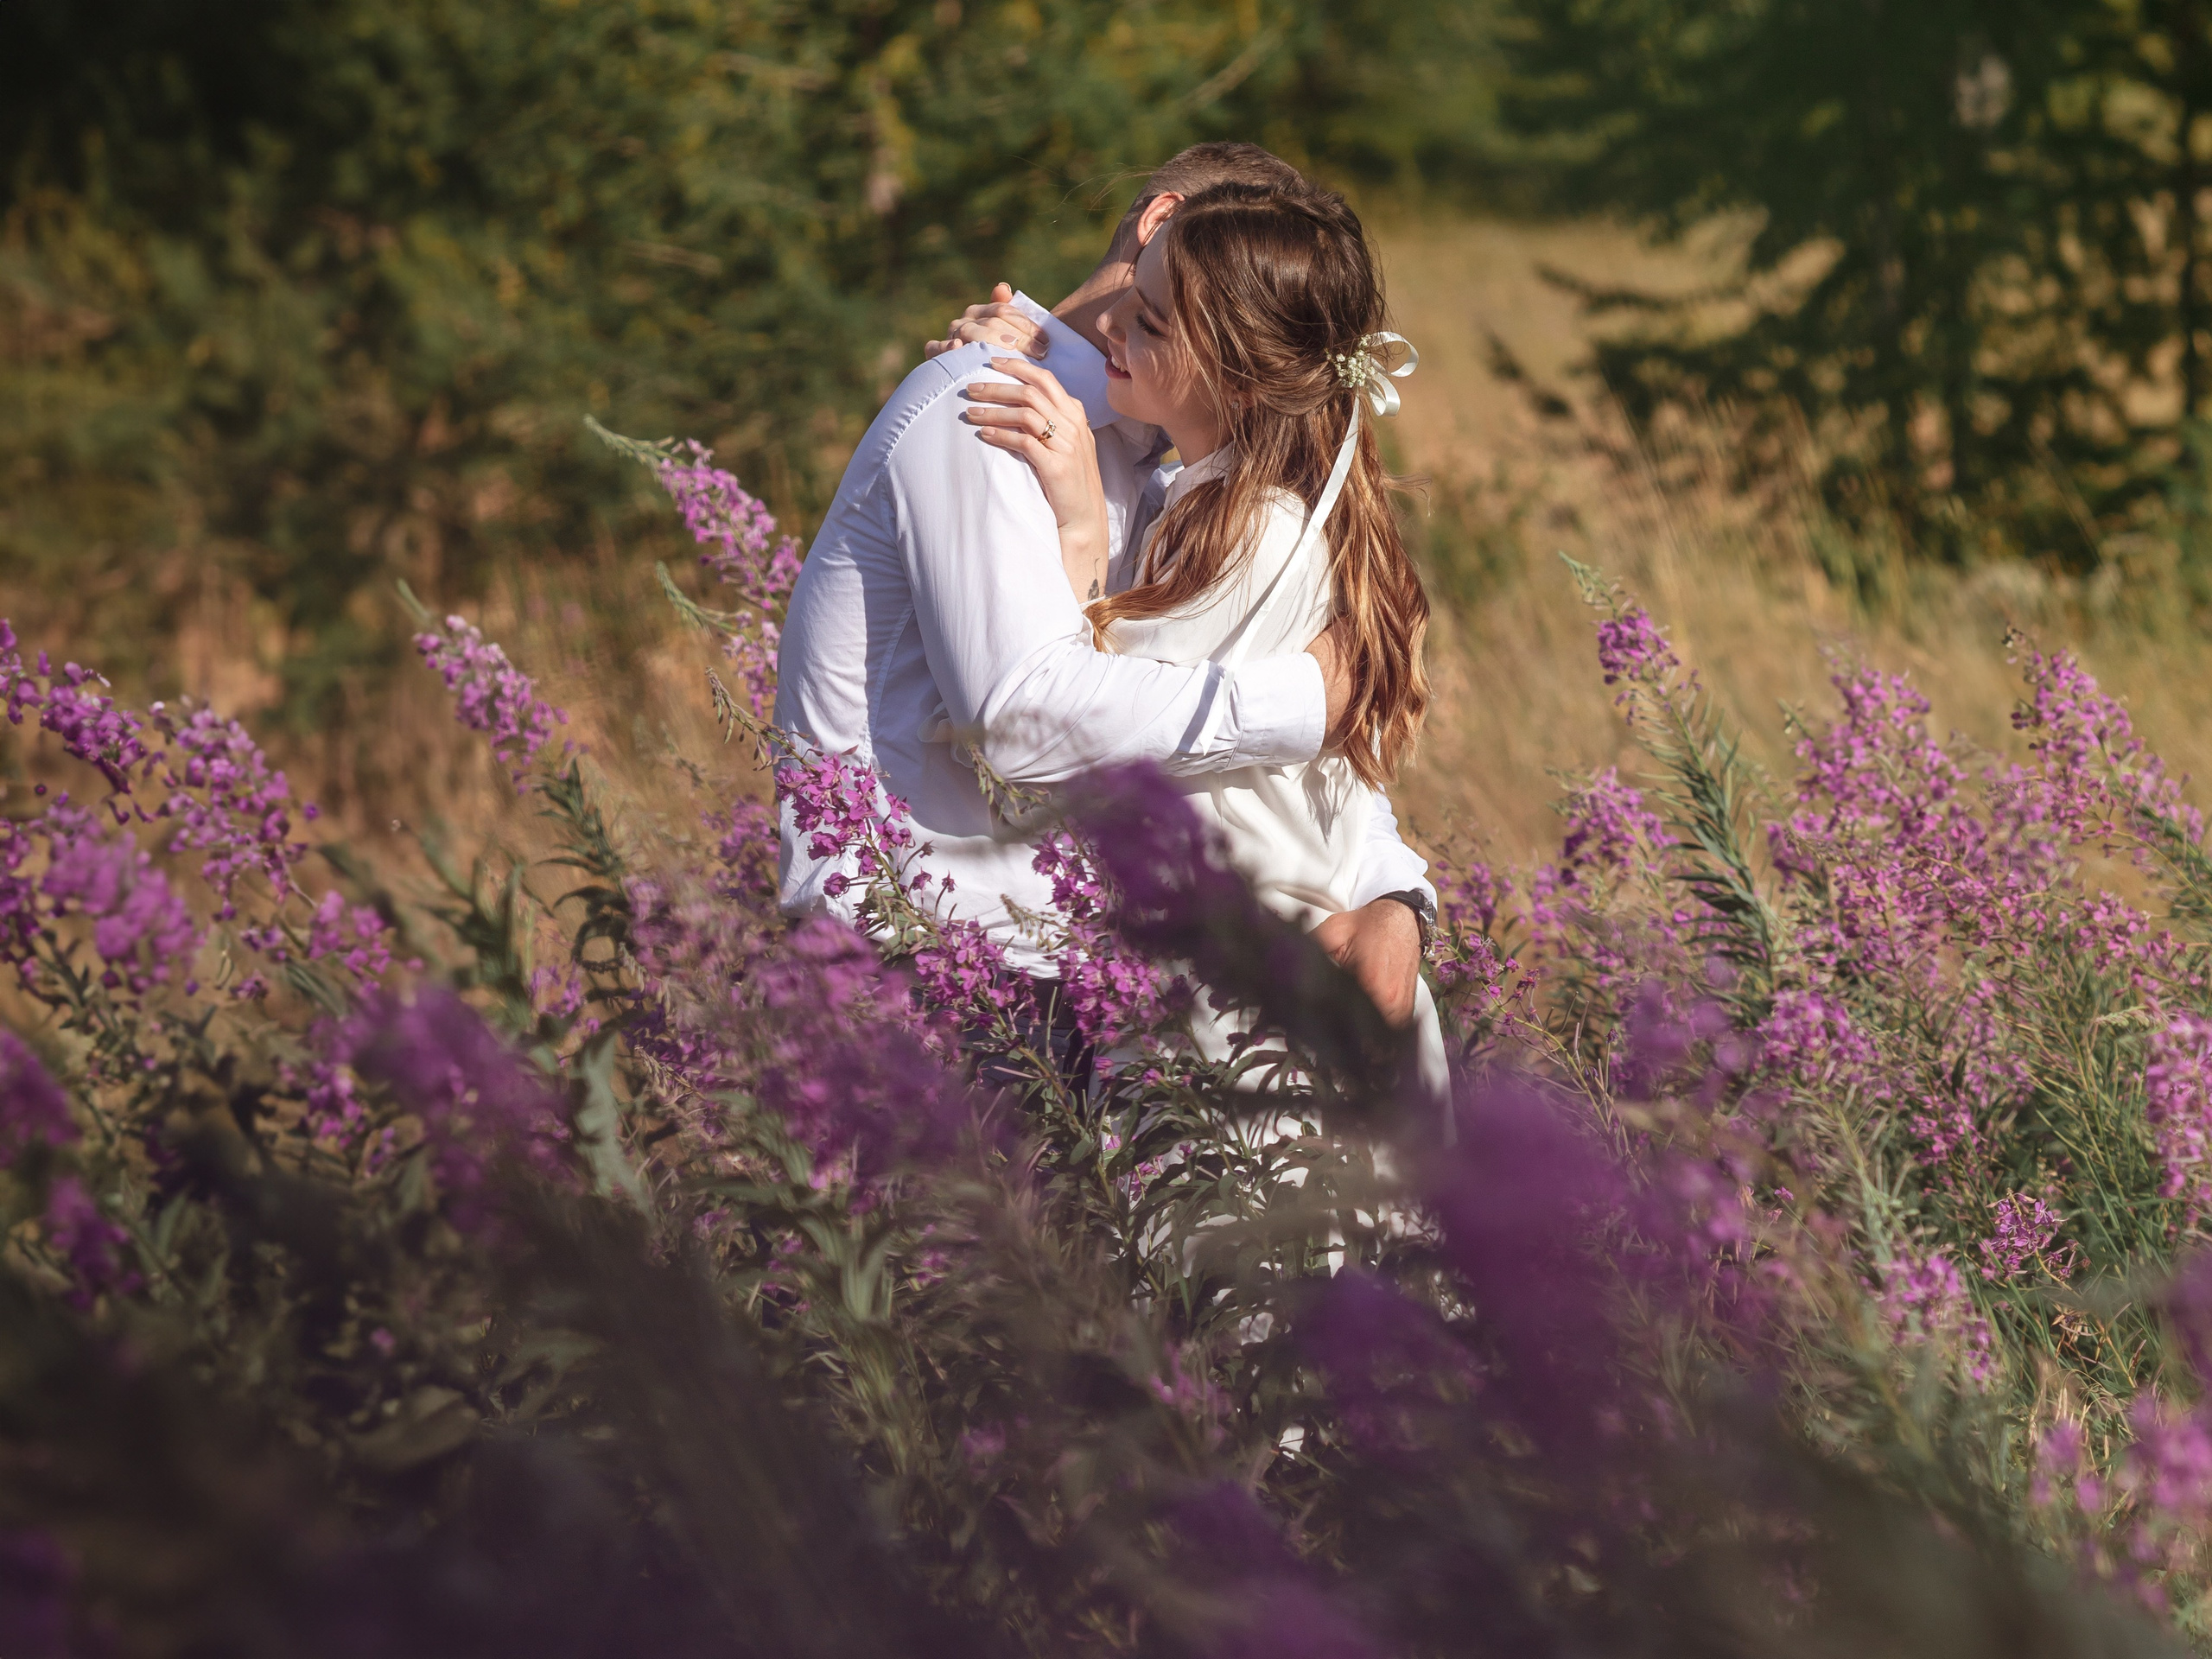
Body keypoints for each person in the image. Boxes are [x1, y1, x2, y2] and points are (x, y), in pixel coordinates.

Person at [773, 143, 1433, 1054]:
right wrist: (1302, 701)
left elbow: (1263, 758)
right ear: (1167, 227)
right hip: (933, 971)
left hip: (1070, 988)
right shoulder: (993, 414)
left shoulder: (1173, 470)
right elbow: (1024, 718)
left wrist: (1393, 896)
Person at [954, 180, 1446, 1084]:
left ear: (1237, 372)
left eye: (1147, 322)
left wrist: (1075, 529)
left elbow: (1089, 741)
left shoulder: (1253, 532)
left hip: (1258, 1020)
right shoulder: (1211, 501)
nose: (1112, 331)